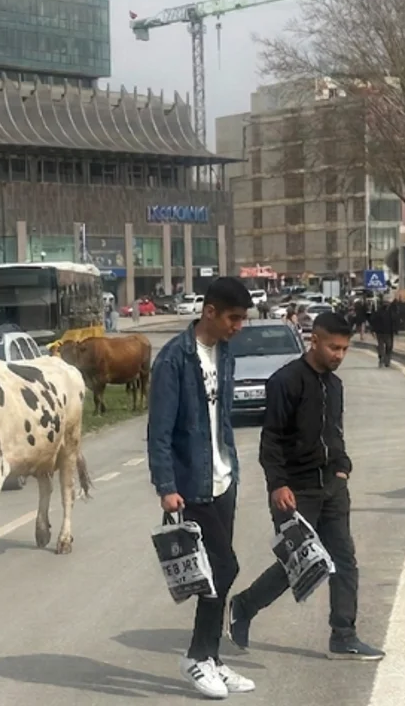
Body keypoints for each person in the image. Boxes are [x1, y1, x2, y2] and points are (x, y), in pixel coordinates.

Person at [229, 312, 385, 661]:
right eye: (334, 348)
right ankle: (244, 606)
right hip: (295, 491)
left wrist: (342, 467)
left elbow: (335, 433)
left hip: (332, 487)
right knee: (299, 564)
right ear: (314, 341)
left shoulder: (335, 385)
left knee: (344, 560)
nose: (339, 355)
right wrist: (278, 484)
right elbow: (271, 440)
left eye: (344, 349)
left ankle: (343, 635)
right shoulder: (285, 382)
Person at [147, 276, 257, 700]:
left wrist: (230, 467)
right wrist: (166, 485)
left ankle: (211, 657)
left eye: (242, 319)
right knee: (223, 568)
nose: (238, 327)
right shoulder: (173, 359)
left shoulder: (224, 353)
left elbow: (221, 417)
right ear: (209, 311)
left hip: (223, 478)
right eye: (233, 318)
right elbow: (159, 430)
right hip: (191, 484)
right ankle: (196, 655)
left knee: (215, 573)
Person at [370, 300, 398, 368]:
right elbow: (374, 321)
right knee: (385, 346)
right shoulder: (380, 312)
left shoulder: (390, 312)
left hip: (386, 332)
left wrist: (395, 330)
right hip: (383, 332)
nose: (386, 304)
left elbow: (394, 321)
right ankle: (383, 359)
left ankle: (385, 360)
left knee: (386, 346)